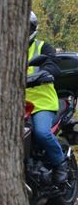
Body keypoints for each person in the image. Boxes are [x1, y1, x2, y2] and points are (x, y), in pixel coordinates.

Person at [26, 11, 68, 184]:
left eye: (27, 26)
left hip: (41, 104)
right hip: (16, 105)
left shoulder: (43, 47)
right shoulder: (6, 50)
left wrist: (43, 74)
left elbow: (53, 65)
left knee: (42, 133)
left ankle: (60, 164)